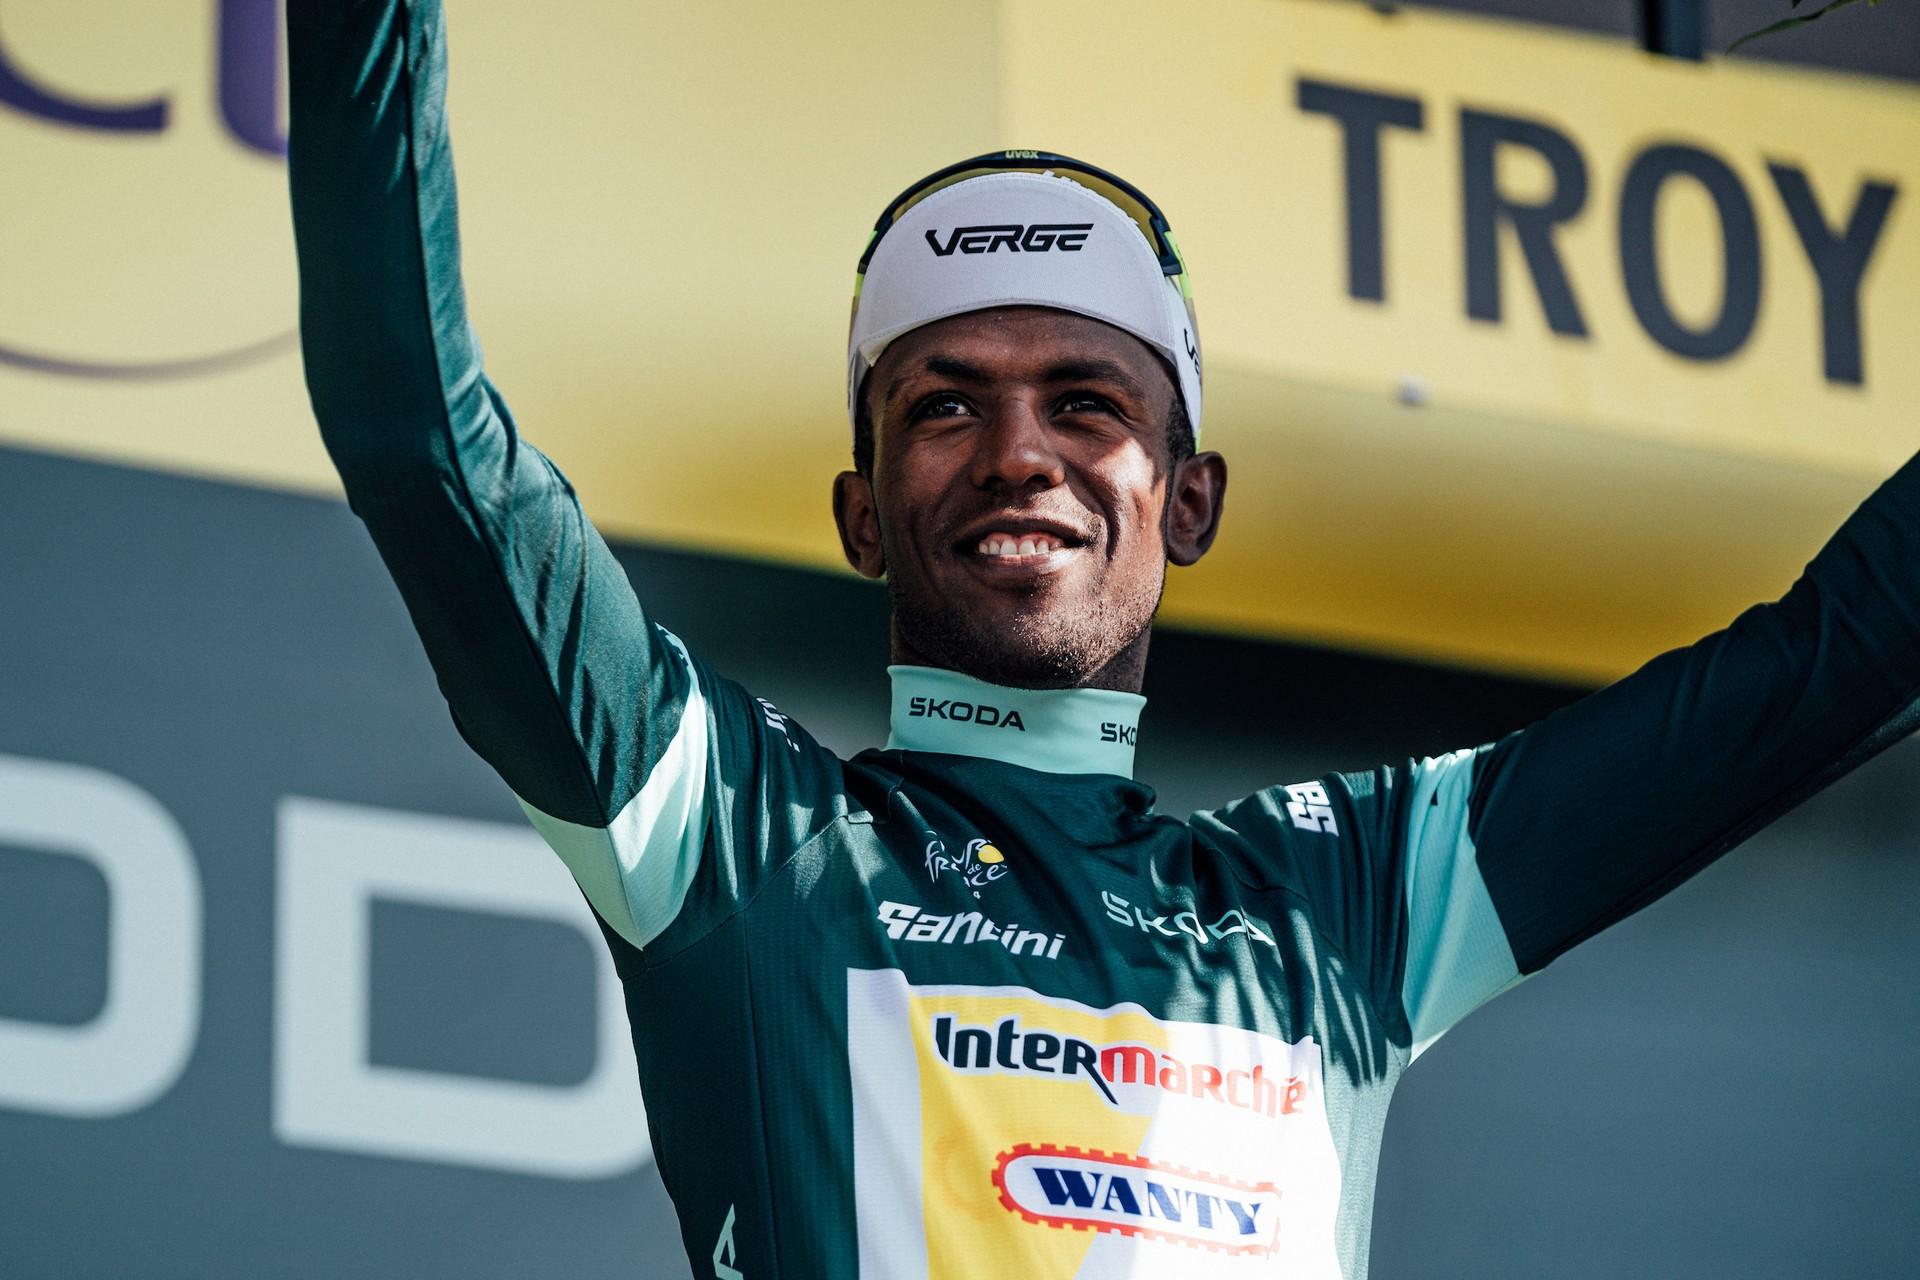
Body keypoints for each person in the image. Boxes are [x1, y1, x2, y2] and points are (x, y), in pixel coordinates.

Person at [285, 3, 1920, 1277]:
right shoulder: (743, 842)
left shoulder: (1345, 897)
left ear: (1188, 500)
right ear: (860, 516)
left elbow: (1831, 663)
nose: (1020, 455)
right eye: (945, 407)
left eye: (1087, 404)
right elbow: (423, 442)